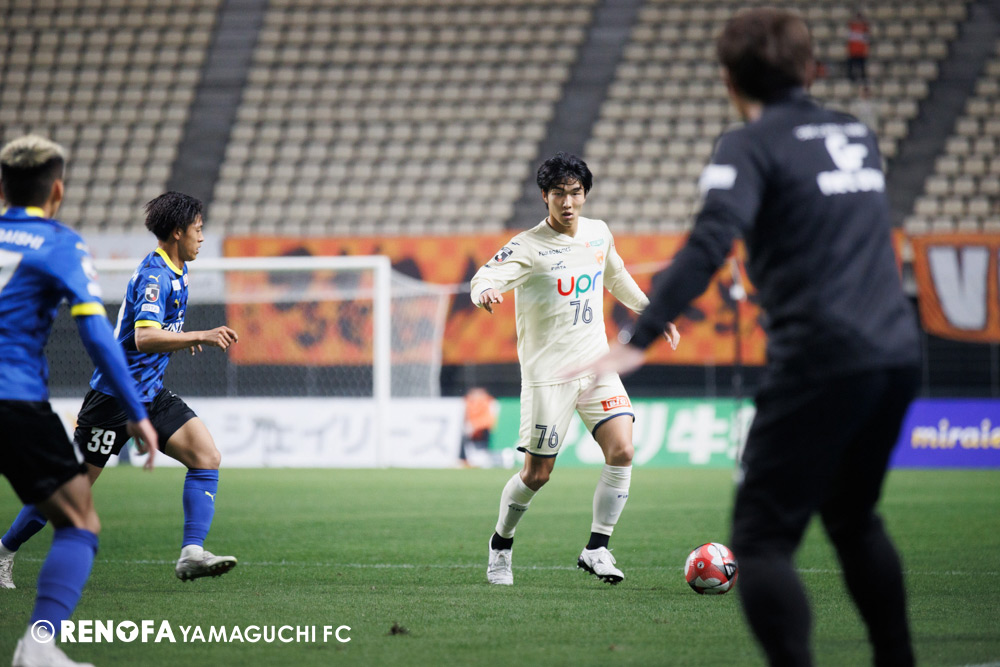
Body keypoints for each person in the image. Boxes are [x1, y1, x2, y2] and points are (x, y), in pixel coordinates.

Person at [580, 8, 919, 665]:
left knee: (761, 539)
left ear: (729, 81)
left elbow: (710, 240)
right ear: (809, 69)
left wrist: (639, 337)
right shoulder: (856, 133)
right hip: (898, 354)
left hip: (822, 355)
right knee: (853, 519)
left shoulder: (749, 143)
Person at [0, 191, 240, 587]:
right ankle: (4, 550)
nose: (201, 237)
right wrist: (200, 335)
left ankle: (192, 553)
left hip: (150, 394)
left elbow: (153, 335)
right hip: (113, 399)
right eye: (197, 229)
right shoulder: (156, 276)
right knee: (67, 492)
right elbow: (144, 338)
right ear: (177, 232)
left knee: (206, 455)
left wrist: (181, 340)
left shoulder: (177, 269)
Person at [473, 152, 679, 586]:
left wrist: (654, 314)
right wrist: (486, 292)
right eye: (558, 194)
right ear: (544, 196)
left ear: (584, 194)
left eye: (575, 192)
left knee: (623, 449)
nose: (568, 202)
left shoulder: (598, 234)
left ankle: (597, 548)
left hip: (596, 365)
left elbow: (617, 278)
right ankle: (501, 543)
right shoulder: (528, 246)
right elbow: (483, 277)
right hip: (550, 377)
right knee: (537, 475)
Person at [0, 134, 159, 667]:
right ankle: (38, 646)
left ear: (2, 189)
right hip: (12, 399)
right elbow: (96, 335)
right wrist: (136, 411)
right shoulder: (60, 243)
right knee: (78, 521)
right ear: (57, 191)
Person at [846, 9, 871, 91]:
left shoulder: (864, 28)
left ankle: (863, 79)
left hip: (861, 52)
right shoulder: (852, 26)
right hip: (853, 51)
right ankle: (851, 79)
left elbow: (866, 40)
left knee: (862, 68)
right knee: (851, 67)